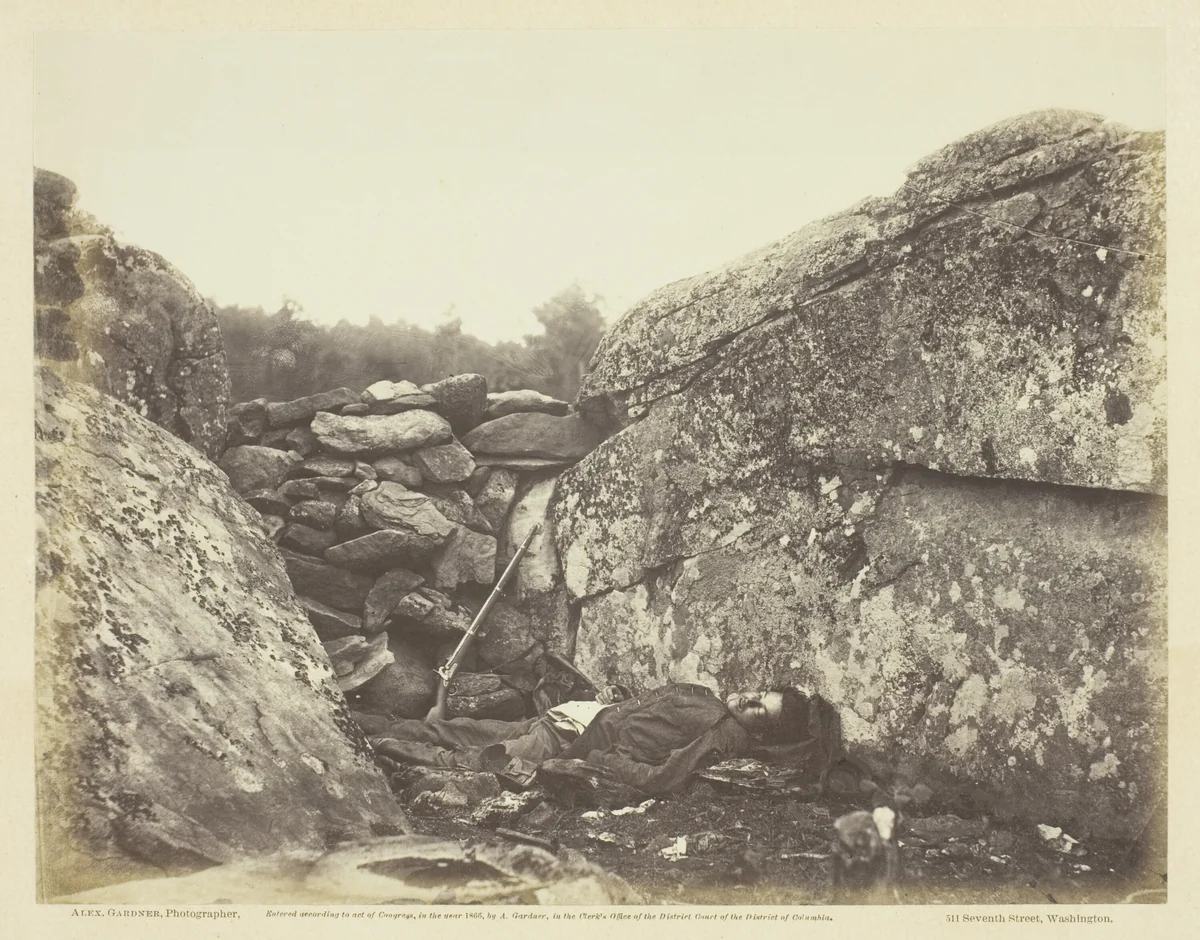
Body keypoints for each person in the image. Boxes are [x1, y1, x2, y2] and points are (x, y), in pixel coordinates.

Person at [370, 681, 834, 798]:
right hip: (570, 717)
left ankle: (364, 744)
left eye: (760, 708)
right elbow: (649, 716)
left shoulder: (722, 733)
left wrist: (610, 762)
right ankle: (341, 716)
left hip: (564, 744)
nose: (751, 697)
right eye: (761, 693)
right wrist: (620, 699)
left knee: (465, 758)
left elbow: (663, 779)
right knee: (448, 728)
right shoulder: (711, 699)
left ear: (760, 730)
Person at [366, 684, 632, 772]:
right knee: (458, 728)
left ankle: (380, 744)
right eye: (613, 688)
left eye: (619, 696)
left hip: (554, 742)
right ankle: (366, 723)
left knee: (484, 758)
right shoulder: (586, 696)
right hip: (538, 723)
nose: (612, 692)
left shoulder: (623, 726)